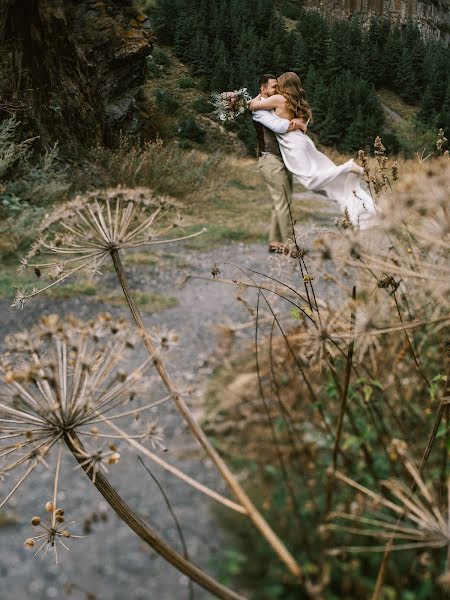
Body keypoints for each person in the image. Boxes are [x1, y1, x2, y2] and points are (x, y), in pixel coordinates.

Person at [249, 72, 376, 228]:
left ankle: (348, 167)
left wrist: (247, 98)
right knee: (326, 179)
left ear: (284, 85)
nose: (277, 88)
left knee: (311, 180)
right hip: (303, 141)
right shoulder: (298, 101)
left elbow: (252, 105)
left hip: (293, 145)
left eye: (278, 85)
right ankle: (361, 210)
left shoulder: (279, 99)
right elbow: (303, 123)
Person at [252, 74, 308, 253]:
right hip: (270, 159)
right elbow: (279, 126)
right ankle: (290, 246)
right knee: (283, 202)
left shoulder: (272, 106)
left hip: (281, 159)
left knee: (282, 201)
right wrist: (295, 124)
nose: (278, 90)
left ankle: (275, 242)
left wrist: (300, 121)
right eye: (274, 87)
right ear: (263, 89)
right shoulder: (259, 110)